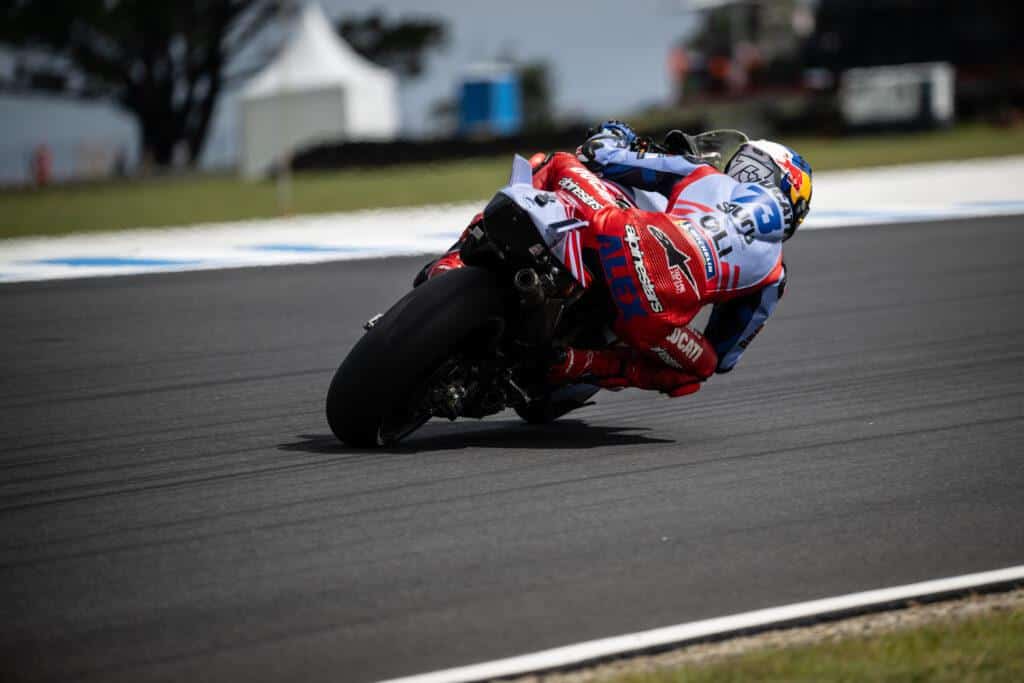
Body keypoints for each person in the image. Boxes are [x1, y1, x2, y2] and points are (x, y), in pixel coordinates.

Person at [414, 120, 813, 397]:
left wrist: (609, 138)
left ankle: (454, 265)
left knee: (551, 163)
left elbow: (607, 158)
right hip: (656, 317)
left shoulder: (704, 176)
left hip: (624, 237)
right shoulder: (773, 275)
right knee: (697, 370)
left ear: (752, 169)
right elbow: (722, 356)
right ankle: (575, 362)